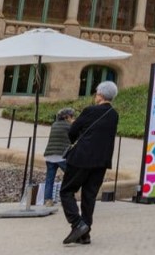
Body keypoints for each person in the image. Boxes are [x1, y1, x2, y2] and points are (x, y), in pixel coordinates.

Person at [60, 81, 119, 245]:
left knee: (66, 191)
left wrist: (76, 138)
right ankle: (85, 234)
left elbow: (73, 131)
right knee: (89, 195)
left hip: (82, 158)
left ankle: (78, 224)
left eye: (96, 92)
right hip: (101, 161)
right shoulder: (114, 114)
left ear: (100, 94)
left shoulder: (89, 110)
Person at [41, 108, 74, 206]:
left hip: (50, 155)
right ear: (67, 117)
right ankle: (67, 198)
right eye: (72, 116)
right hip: (62, 156)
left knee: (49, 179)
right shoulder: (69, 126)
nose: (73, 118)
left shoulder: (54, 125)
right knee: (70, 176)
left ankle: (48, 200)